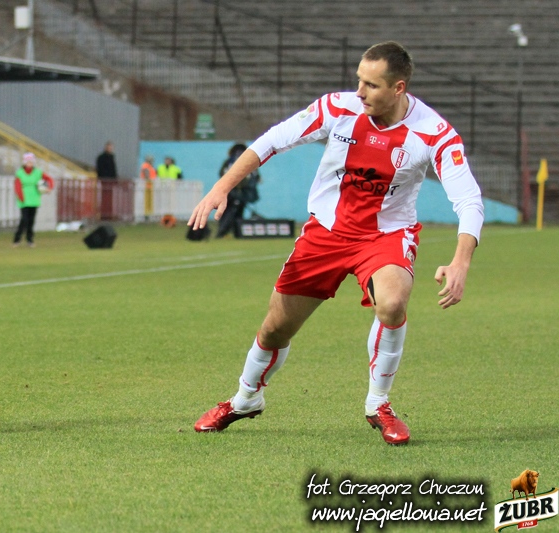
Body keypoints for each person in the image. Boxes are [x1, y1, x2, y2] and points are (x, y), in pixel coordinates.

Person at [188, 41, 484, 445]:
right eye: (358, 80)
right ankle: (245, 398)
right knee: (275, 329)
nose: (359, 92)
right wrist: (221, 188)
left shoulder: (434, 133)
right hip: (326, 233)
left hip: (385, 236)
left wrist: (461, 261)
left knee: (392, 303)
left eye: (371, 85)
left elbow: (468, 199)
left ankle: (378, 404)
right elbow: (273, 140)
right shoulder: (337, 108)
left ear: (398, 88)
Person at [215, 143, 260, 238]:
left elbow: (222, 173)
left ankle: (231, 232)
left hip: (229, 191)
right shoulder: (246, 160)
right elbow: (254, 177)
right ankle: (226, 232)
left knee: (229, 211)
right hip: (239, 192)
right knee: (235, 212)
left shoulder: (229, 161)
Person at [13, 152, 53, 248]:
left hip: (34, 199)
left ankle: (30, 240)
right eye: (28, 162)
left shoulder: (38, 172)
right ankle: (17, 239)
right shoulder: (20, 173)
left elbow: (49, 179)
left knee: (31, 221)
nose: (29, 164)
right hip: (24, 200)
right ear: (24, 163)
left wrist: (49, 188)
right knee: (24, 220)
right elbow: (17, 186)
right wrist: (21, 197)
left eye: (31, 162)